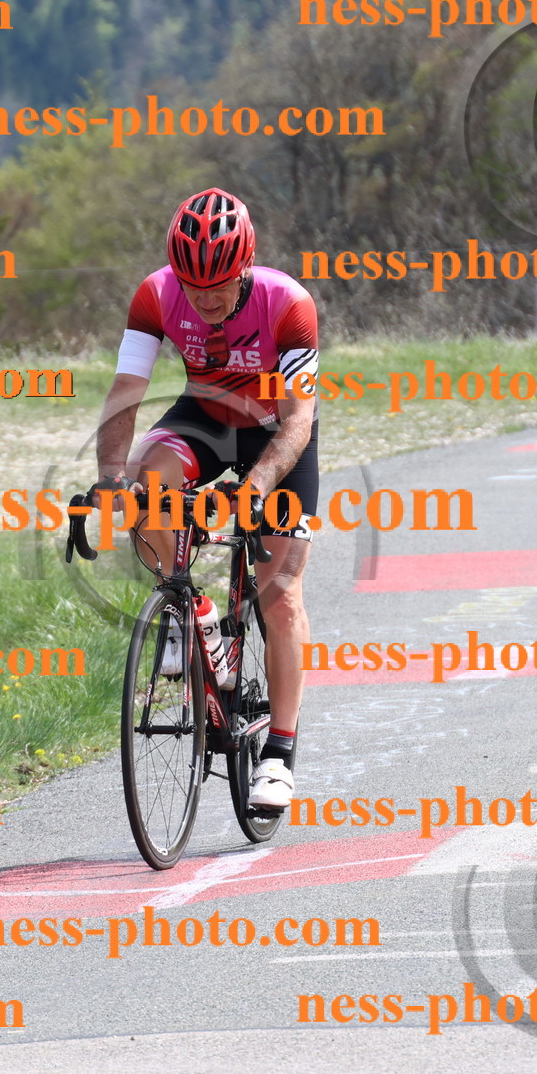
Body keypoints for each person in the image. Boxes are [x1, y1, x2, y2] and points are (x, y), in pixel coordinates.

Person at [92, 188, 319, 811]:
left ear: (245, 264)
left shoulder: (289, 305)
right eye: (194, 286)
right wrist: (112, 477)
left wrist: (255, 488)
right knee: (146, 487)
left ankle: (279, 750)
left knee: (280, 592)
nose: (206, 298)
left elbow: (300, 419)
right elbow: (127, 389)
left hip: (276, 431)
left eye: (218, 284)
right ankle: (191, 611)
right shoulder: (155, 294)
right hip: (205, 416)